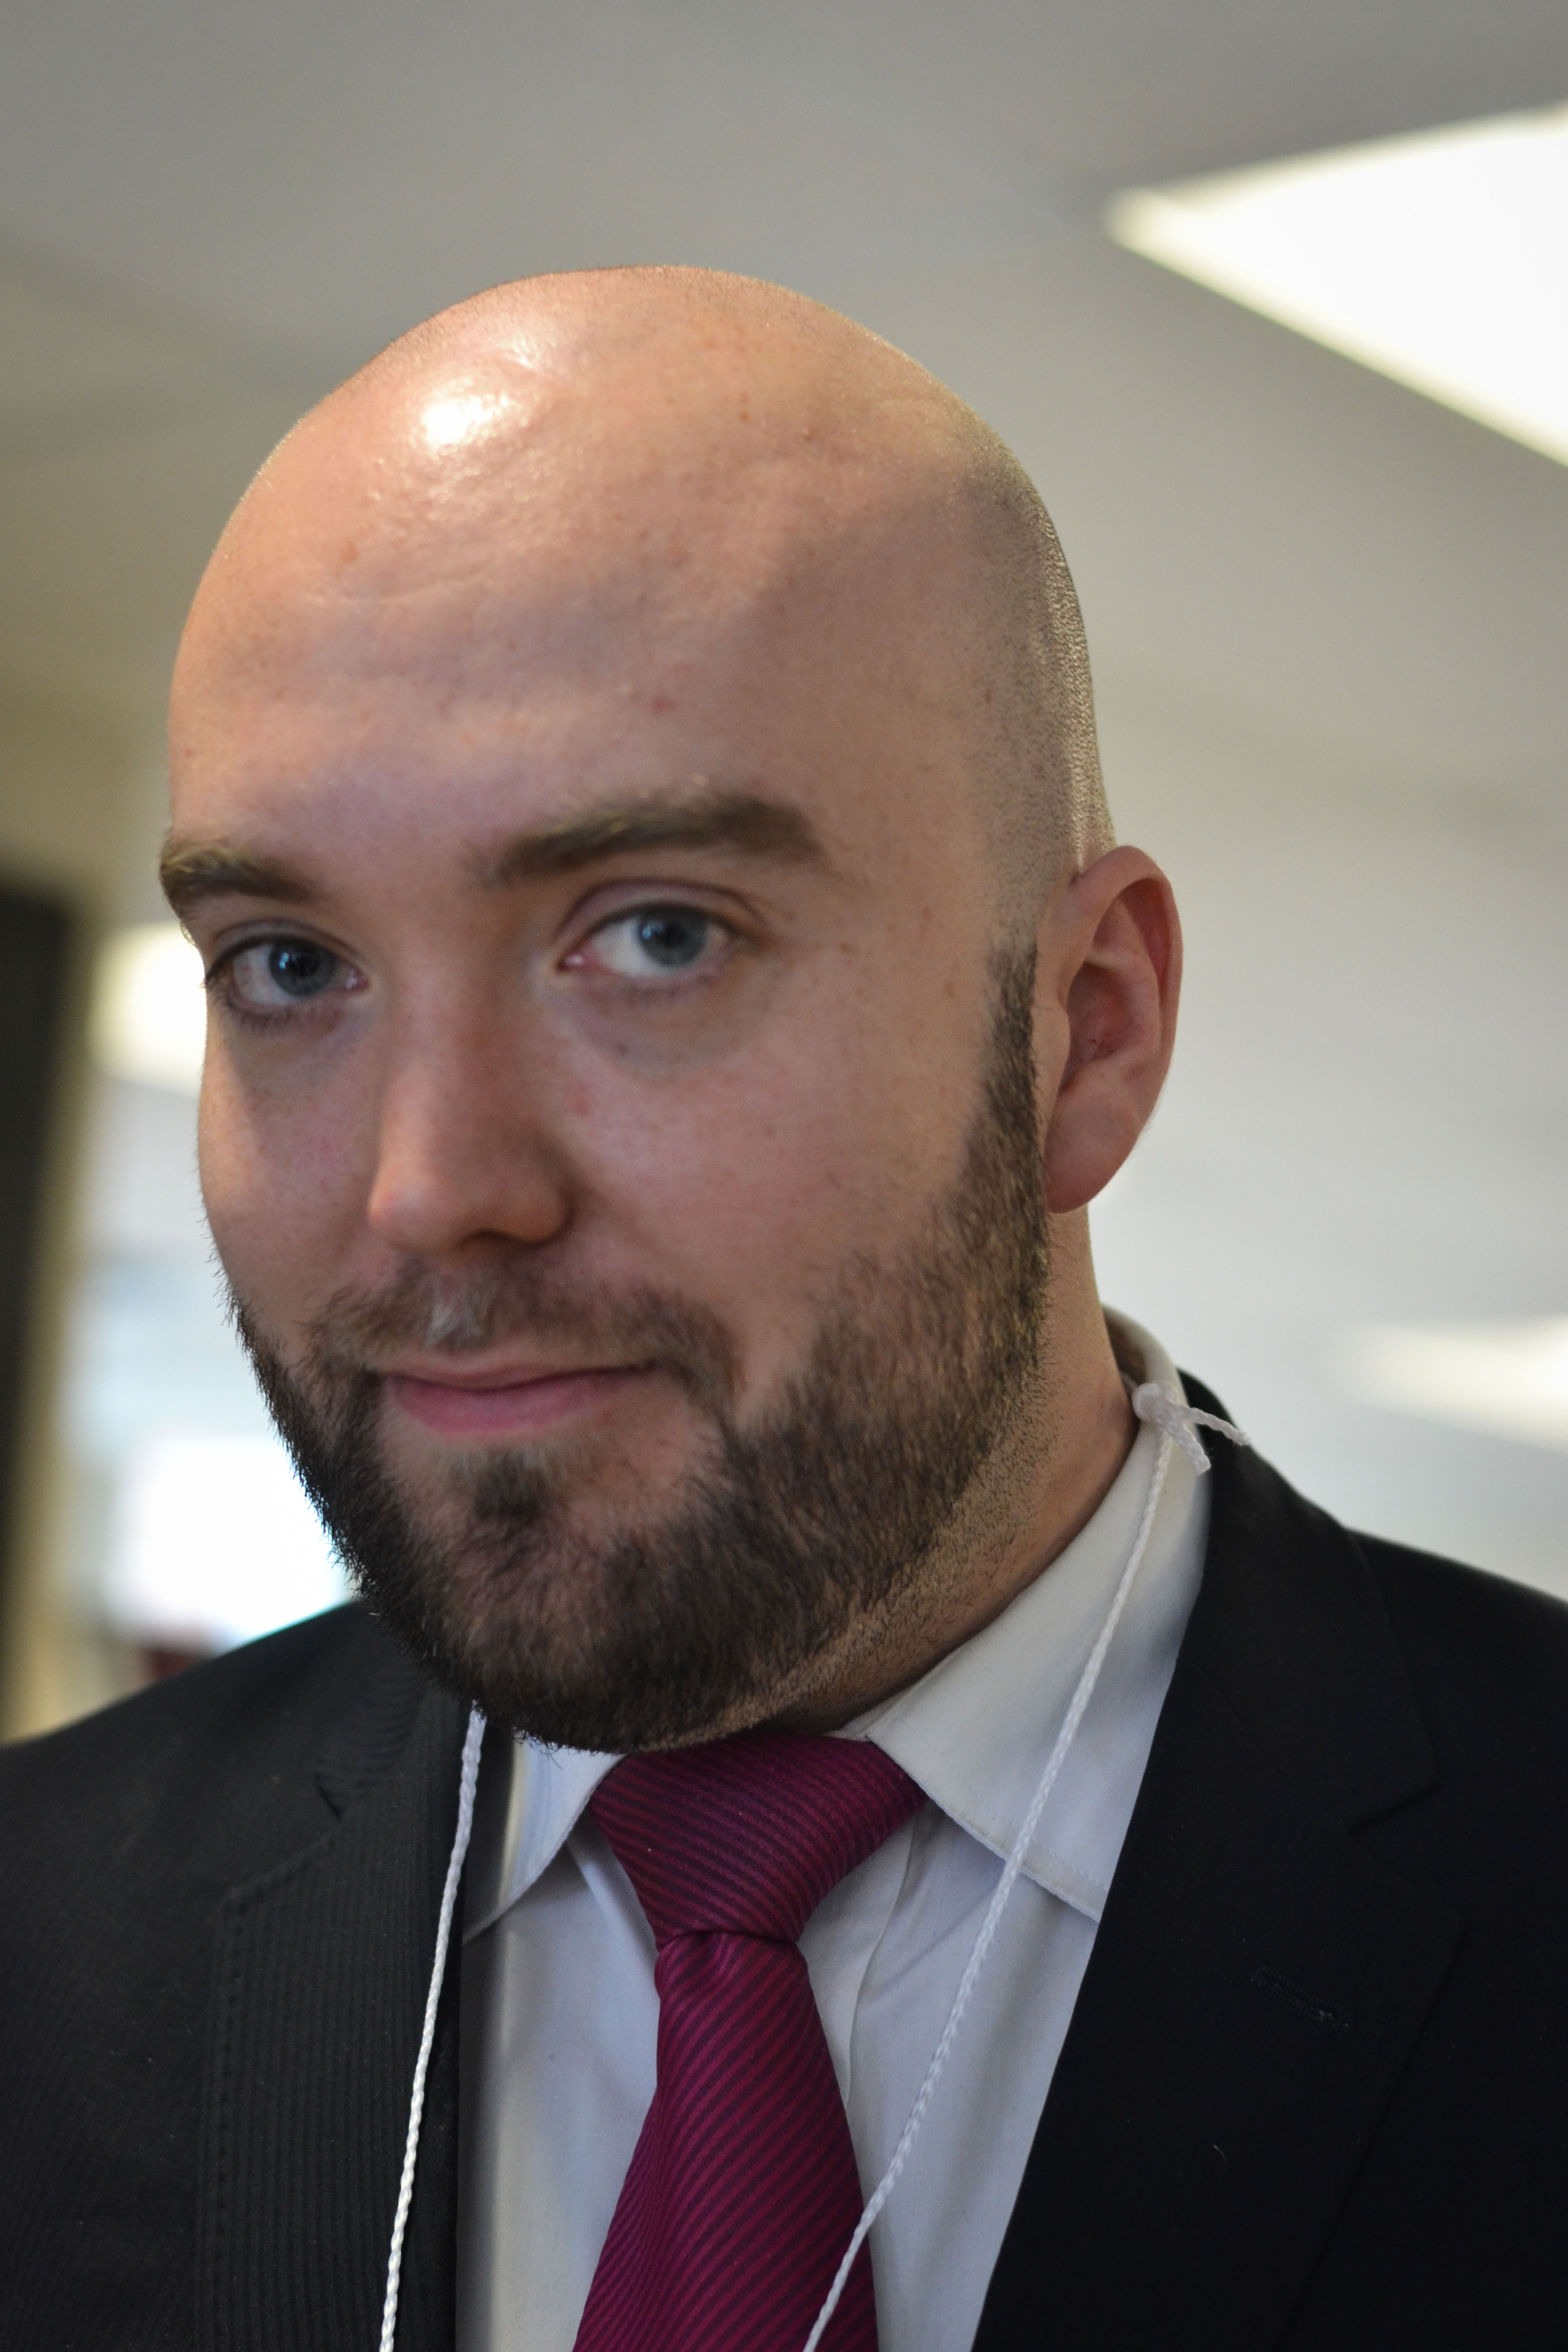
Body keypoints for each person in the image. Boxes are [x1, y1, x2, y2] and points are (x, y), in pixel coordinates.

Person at [3, 267, 1566, 2352]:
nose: (429, 1190)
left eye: (657, 935)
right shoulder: (39, 1945)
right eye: (290, 967)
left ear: (1085, 1031)